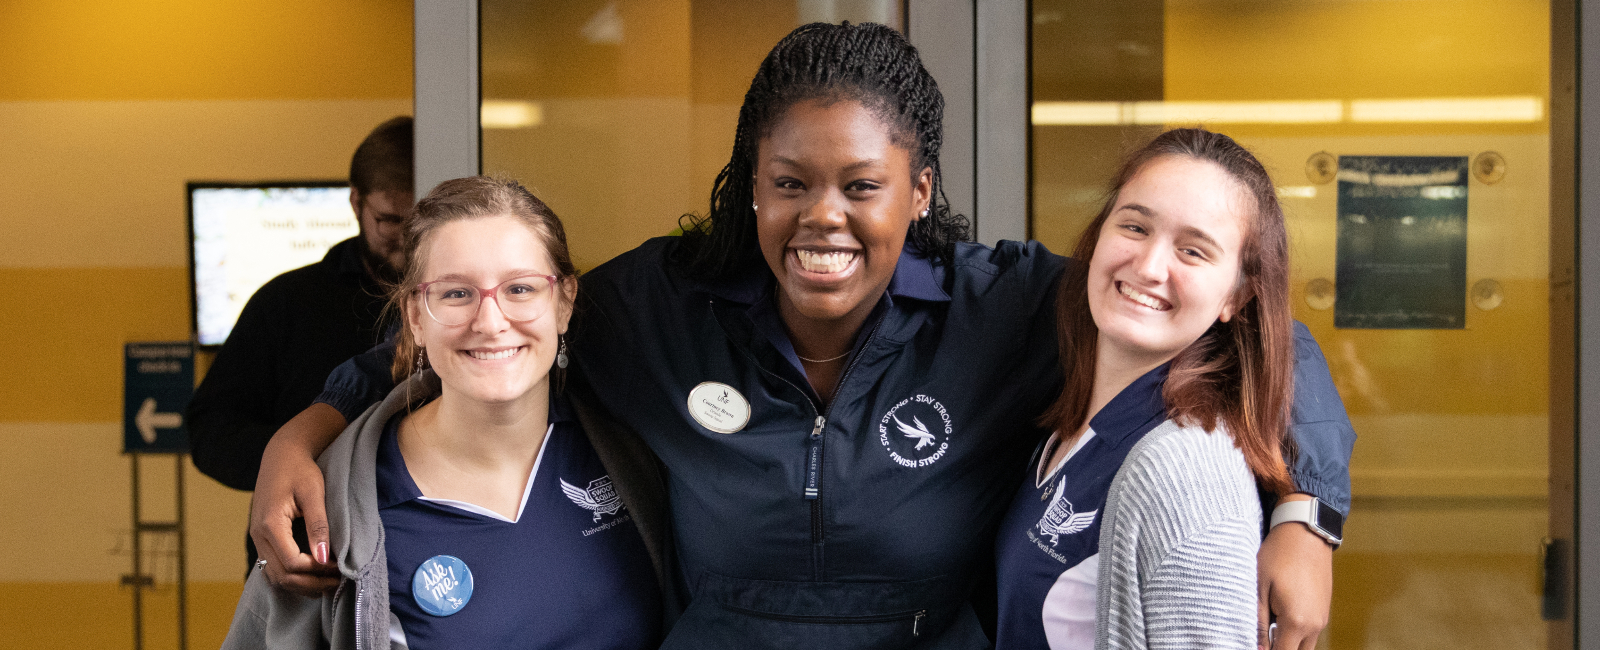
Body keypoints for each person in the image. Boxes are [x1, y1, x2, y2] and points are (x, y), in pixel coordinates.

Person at [250, 23, 1352, 648]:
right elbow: (488, 321)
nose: (823, 216)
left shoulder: (1005, 305)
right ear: (751, 190)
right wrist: (305, 429)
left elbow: (1259, 341)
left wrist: (1307, 515)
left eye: (861, 185)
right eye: (789, 183)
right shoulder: (658, 306)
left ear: (918, 191)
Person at [221, 177, 668, 649]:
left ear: (564, 302)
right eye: (456, 293)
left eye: (520, 288)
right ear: (415, 315)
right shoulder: (343, 508)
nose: (491, 322)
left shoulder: (634, 452)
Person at [994, 128, 1307, 649]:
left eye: (1193, 251)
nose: (1148, 266)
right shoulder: (1073, 426)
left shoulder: (1187, 475)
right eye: (1135, 226)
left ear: (1237, 294)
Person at [188, 116, 415, 573]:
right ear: (355, 203)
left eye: (420, 223)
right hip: (306, 560)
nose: (408, 242)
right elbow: (211, 431)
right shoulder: (286, 302)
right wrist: (297, 459)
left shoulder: (463, 304)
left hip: (423, 550)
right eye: (390, 220)